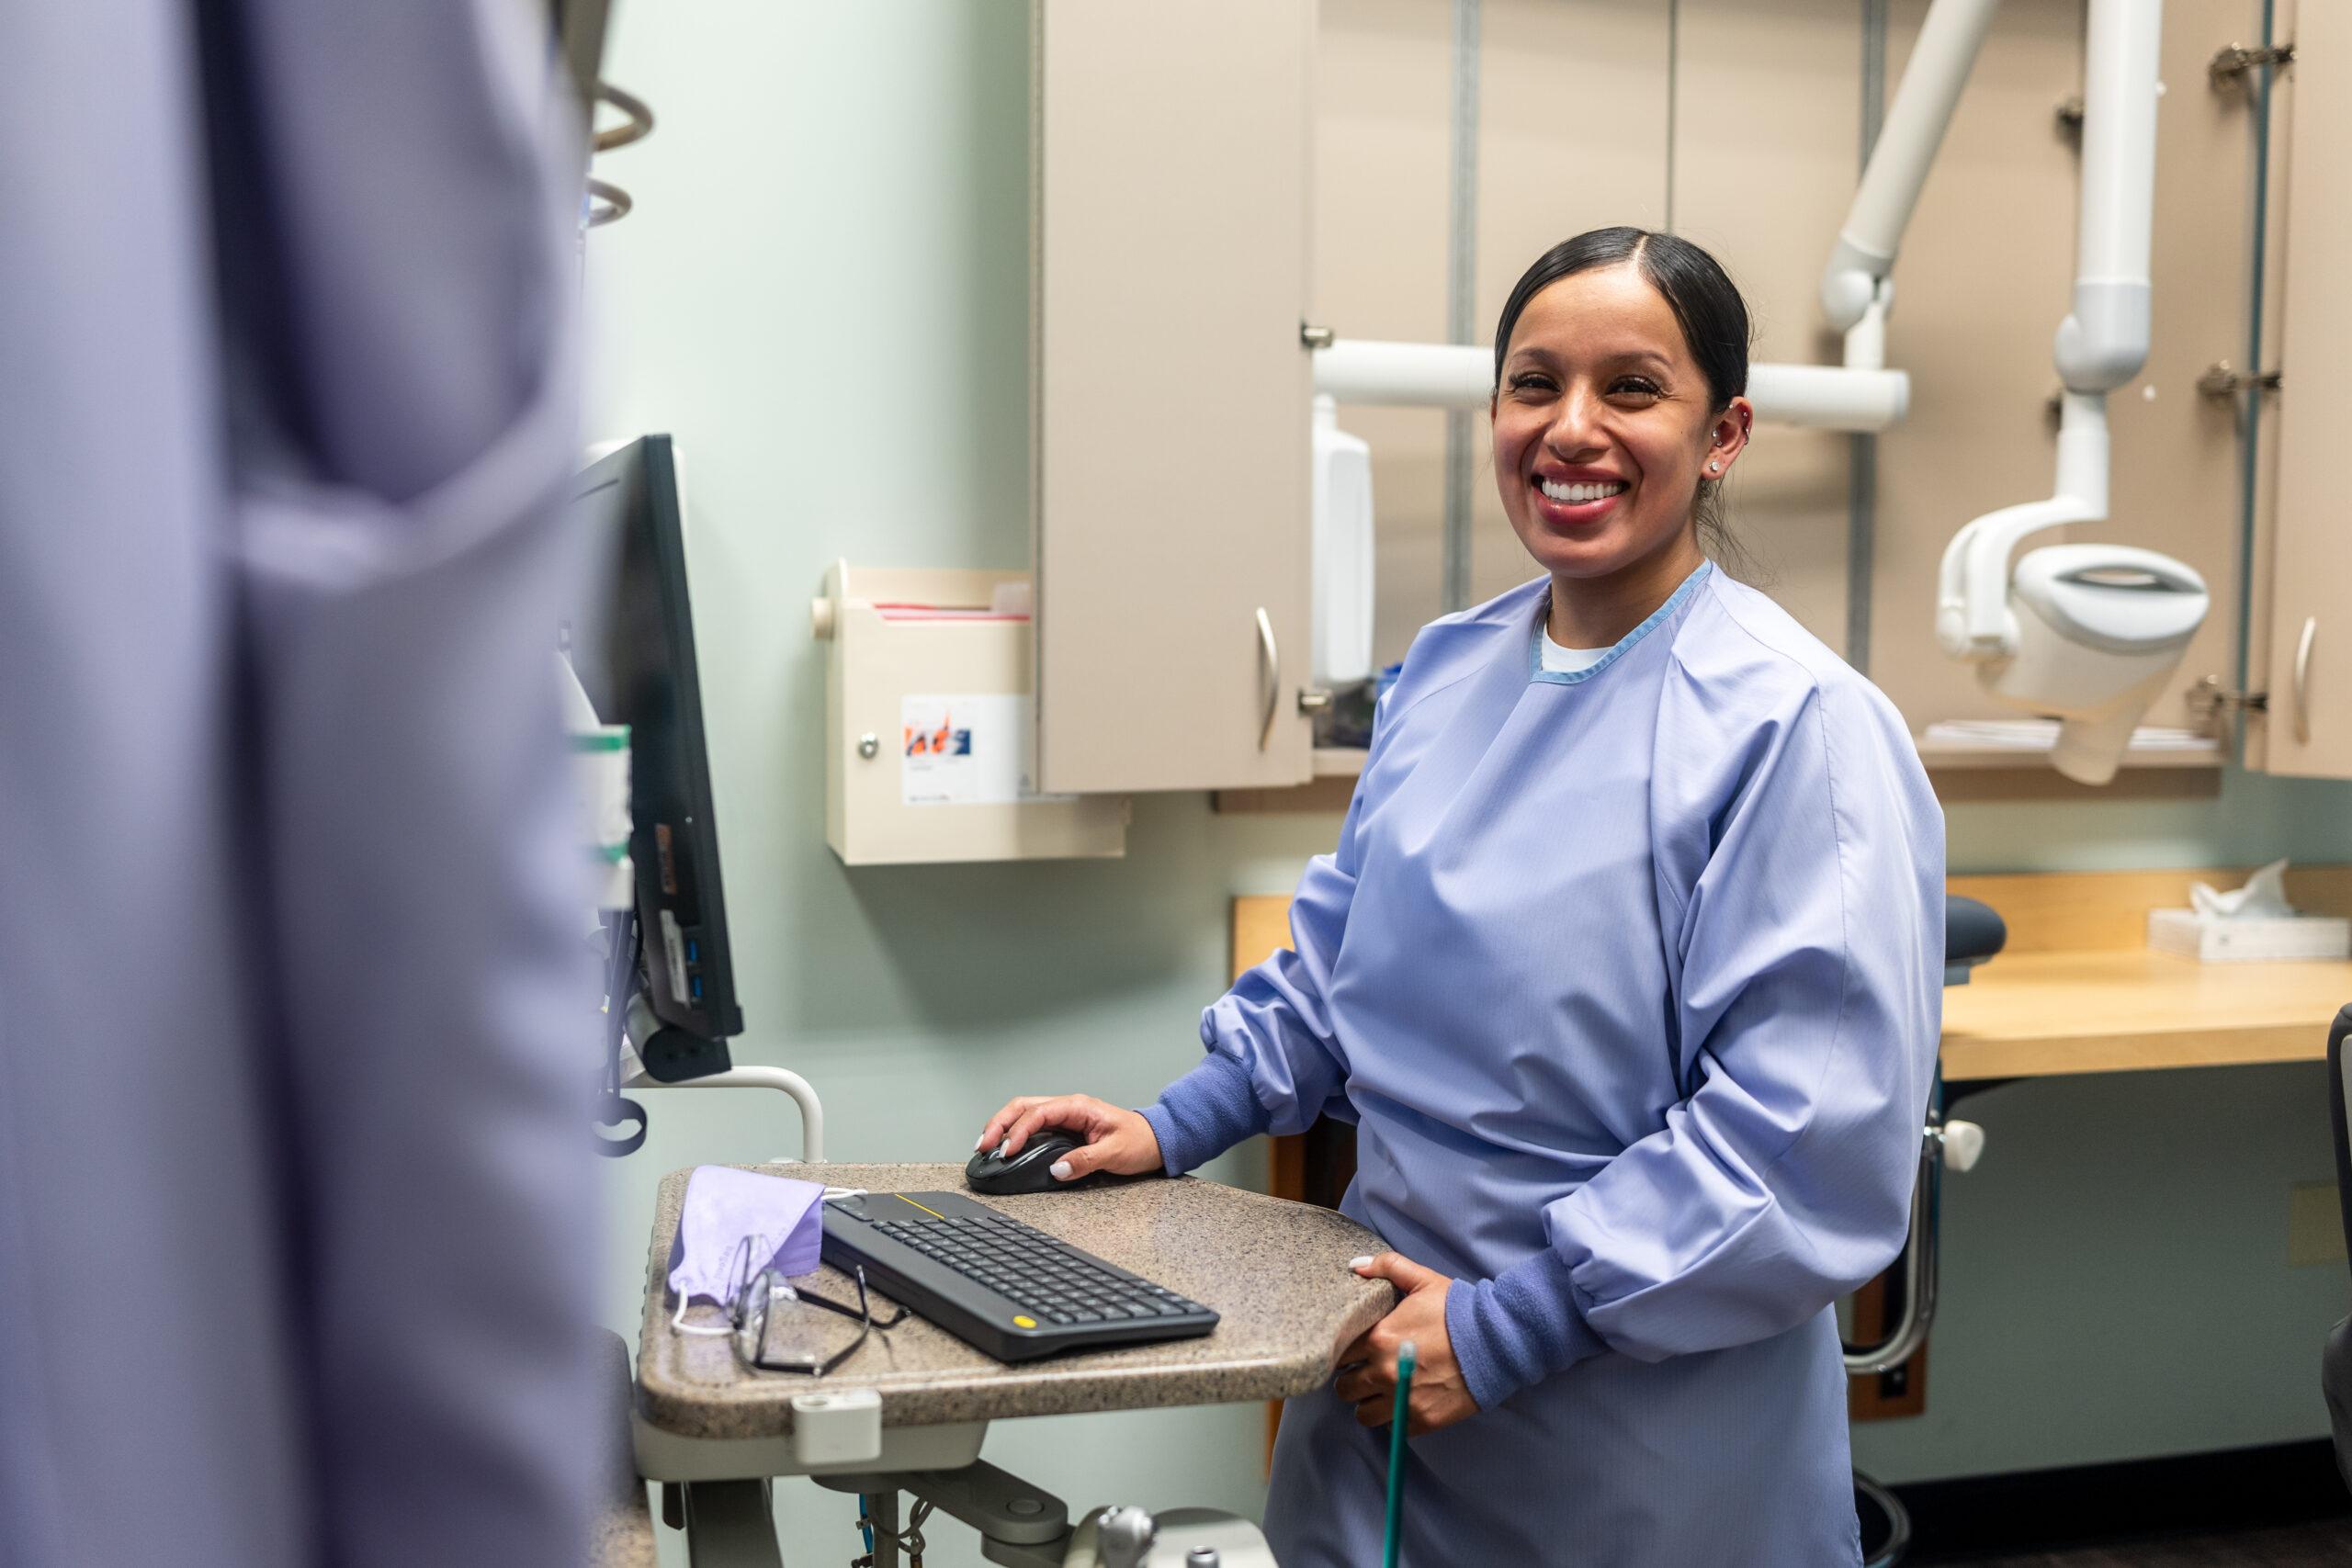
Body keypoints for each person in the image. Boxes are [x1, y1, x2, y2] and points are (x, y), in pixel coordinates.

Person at [978, 227, 1945, 1565]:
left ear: (1721, 434)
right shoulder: (1445, 673)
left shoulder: (1798, 728)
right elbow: (1338, 969)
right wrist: (1170, 1123)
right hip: (1382, 1371)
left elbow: (1803, 1141)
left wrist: (1512, 1327)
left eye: (1633, 389)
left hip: (1633, 1424)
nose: (1573, 429)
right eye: (1535, 383)